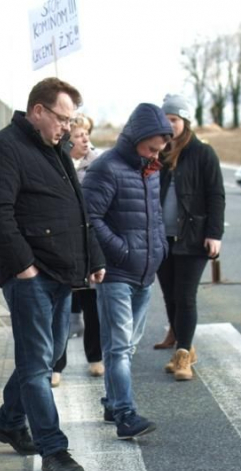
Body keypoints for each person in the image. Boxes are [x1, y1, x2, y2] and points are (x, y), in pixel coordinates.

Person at [0, 78, 105, 471]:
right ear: (38, 111)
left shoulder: (55, 148)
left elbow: (78, 209)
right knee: (36, 365)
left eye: (70, 120)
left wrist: (93, 257)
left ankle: (8, 421)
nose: (67, 127)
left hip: (62, 272)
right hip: (30, 275)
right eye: (62, 118)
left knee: (49, 354)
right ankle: (53, 448)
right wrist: (24, 266)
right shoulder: (2, 149)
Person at [83, 103, 172, 438]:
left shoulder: (151, 169)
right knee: (119, 347)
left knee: (126, 346)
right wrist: (120, 251)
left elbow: (155, 215)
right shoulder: (106, 167)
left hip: (145, 272)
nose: (155, 155)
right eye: (151, 149)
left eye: (159, 150)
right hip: (116, 274)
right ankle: (125, 414)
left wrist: (159, 248)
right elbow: (89, 217)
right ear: (136, 139)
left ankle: (112, 402)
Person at [153, 94, 225, 382]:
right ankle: (184, 344)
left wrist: (214, 234)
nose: (170, 125)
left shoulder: (202, 153)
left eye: (174, 119)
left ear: (185, 121)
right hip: (162, 238)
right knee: (170, 296)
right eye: (166, 119)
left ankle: (183, 354)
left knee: (185, 296)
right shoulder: (157, 152)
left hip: (193, 237)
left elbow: (216, 195)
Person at [51, 113, 105, 386]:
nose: (85, 140)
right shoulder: (55, 163)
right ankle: (56, 365)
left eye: (87, 134)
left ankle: (95, 357)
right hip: (62, 247)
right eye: (79, 135)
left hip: (89, 245)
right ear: (66, 140)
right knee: (60, 311)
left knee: (92, 307)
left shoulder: (98, 165)